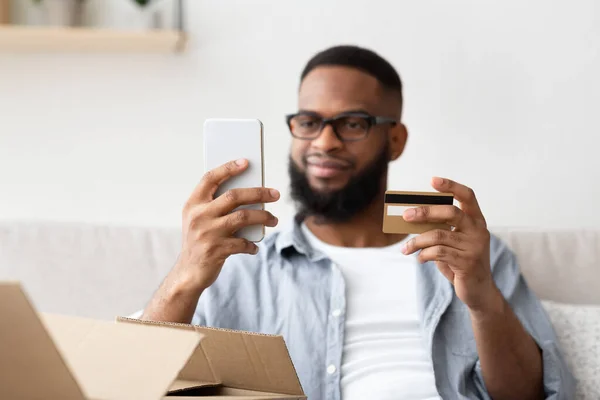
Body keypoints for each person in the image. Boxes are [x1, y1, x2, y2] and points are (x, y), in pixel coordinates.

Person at [138, 45, 574, 399]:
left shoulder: (472, 254)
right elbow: (141, 384)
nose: (324, 142)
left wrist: (483, 300)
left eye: (352, 123)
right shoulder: (240, 262)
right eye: (309, 122)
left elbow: (533, 395)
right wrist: (186, 272)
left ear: (395, 140)